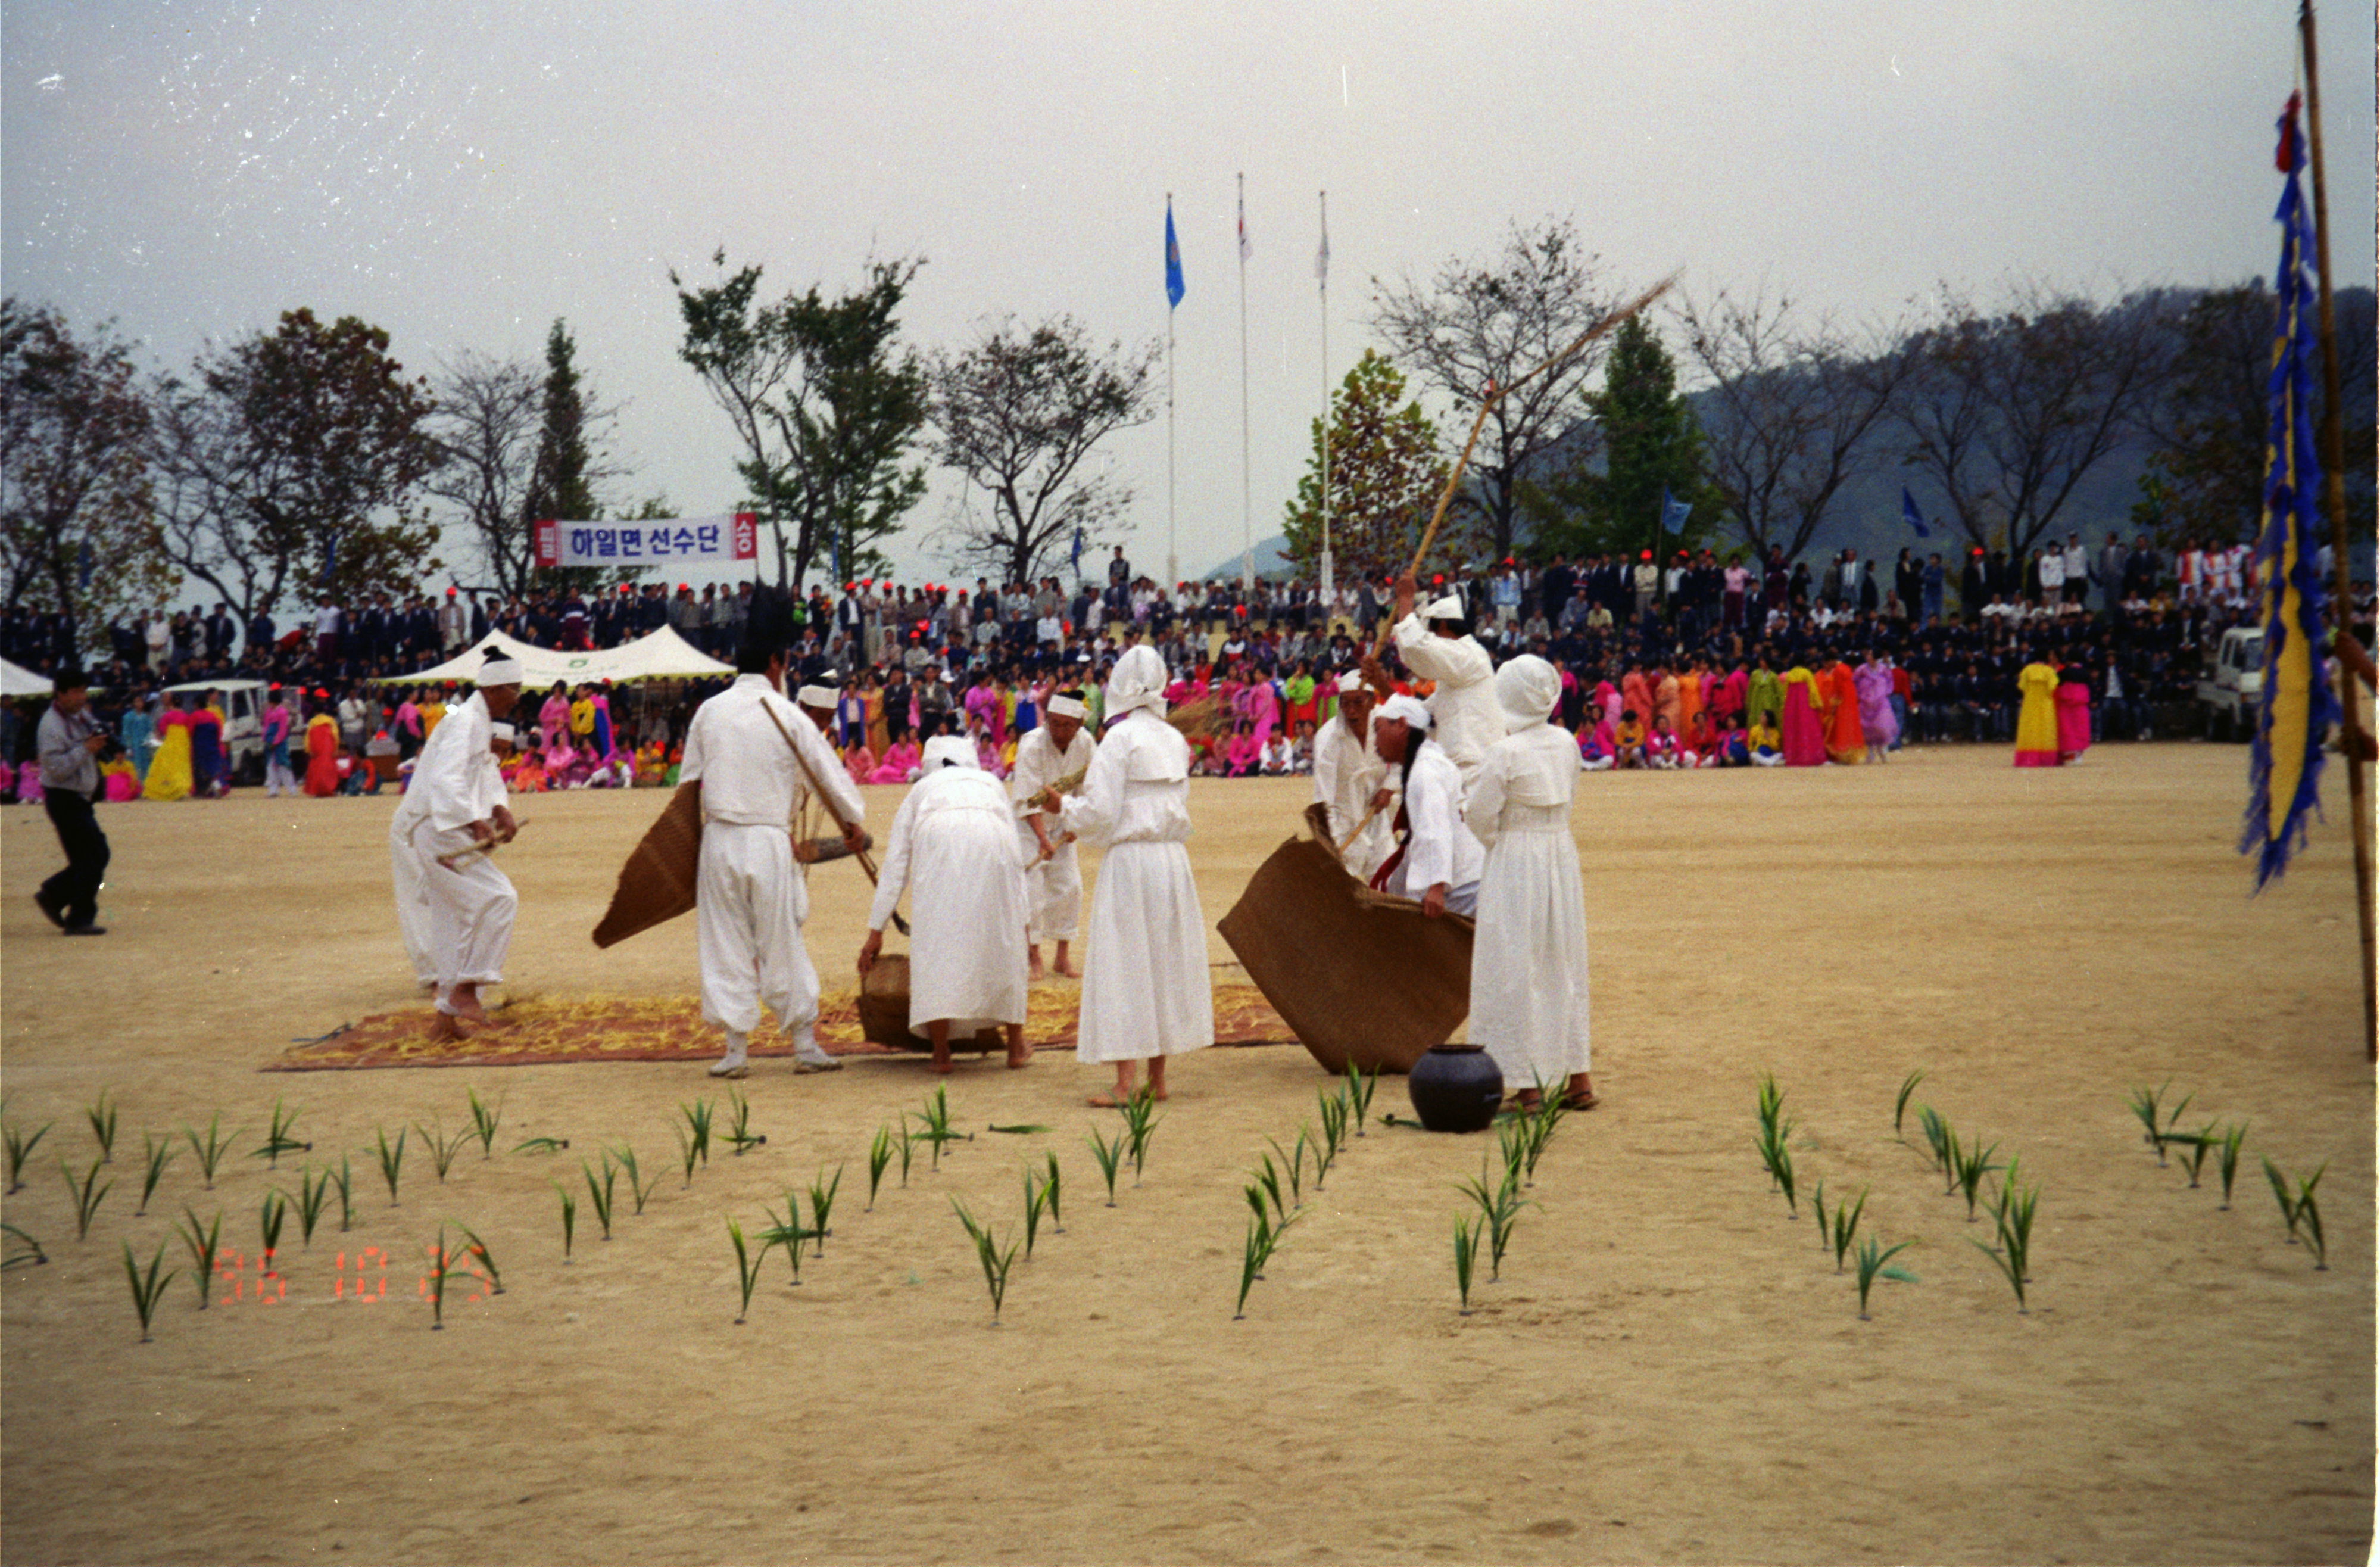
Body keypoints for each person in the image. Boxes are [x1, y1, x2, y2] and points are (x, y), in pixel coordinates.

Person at [680, 596, 866, 1079]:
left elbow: (686, 787)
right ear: (774, 663)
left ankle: (736, 1050)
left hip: (718, 840)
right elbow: (831, 781)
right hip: (765, 839)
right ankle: (802, 1043)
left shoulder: (709, 712)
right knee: (780, 939)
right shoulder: (788, 714)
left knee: (726, 941)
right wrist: (854, 820)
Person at [1040, 643, 1213, 1107]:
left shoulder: (1118, 739)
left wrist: (1064, 808)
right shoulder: (1172, 738)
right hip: (1171, 861)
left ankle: (1124, 1083)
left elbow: (1098, 813)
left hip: (1133, 861)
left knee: (1127, 962)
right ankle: (1156, 1079)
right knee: (1162, 961)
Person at [858, 735, 1033, 1074]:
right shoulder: (991, 782)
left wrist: (875, 932)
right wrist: (1022, 922)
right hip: (993, 837)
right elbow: (1016, 864)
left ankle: (942, 1053)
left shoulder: (921, 790)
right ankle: (1015, 1047)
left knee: (936, 943)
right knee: (1004, 941)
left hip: (940, 835)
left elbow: (895, 866)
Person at [1465, 656, 1595, 1111]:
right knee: (1563, 961)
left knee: (1514, 964)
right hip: (1560, 852)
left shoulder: (1505, 751)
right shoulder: (1565, 742)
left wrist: (1499, 841)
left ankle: (1527, 1085)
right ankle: (1579, 1078)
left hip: (1516, 858)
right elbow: (1570, 796)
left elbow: (1478, 815)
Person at [408, 650, 525, 1038]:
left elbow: (484, 772)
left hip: (442, 827)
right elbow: (445, 778)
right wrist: (474, 820)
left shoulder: (478, 720)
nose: (518, 695)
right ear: (494, 688)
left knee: (452, 924)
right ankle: (465, 989)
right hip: (438, 829)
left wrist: (498, 809)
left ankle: (444, 1021)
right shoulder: (463, 720)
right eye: (514, 687)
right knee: (499, 898)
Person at [1370, 694, 1483, 918]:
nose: (1376, 741)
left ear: (1402, 725)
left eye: (1379, 730)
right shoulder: (1428, 761)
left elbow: (1434, 829)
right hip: (1467, 878)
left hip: (1462, 887)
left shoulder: (1425, 771)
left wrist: (1435, 886)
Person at [1007, 691, 1095, 980]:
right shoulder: (1032, 744)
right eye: (1054, 723)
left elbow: (1089, 790)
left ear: (1079, 723)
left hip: (1063, 822)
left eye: (1066, 725)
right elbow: (1028, 797)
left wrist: (1075, 824)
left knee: (1070, 887)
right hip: (1028, 825)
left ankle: (1062, 957)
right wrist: (1043, 839)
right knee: (1032, 890)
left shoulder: (1086, 744)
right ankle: (1034, 957)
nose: (1058, 730)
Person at [1385, 571, 1498, 793]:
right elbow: (1422, 713)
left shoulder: (1469, 656)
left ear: (1444, 626)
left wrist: (1406, 601)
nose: (1431, 639)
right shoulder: (1454, 678)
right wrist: (1381, 686)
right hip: (1457, 765)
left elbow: (1417, 649)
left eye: (1431, 632)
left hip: (1473, 765)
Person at [33, 671, 110, 936]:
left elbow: (93, 732)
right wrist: (85, 749)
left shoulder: (79, 716)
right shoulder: (51, 726)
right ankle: (78, 916)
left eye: (83, 691)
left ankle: (54, 895)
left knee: (93, 855)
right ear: (61, 694)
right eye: (76, 692)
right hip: (63, 797)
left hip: (76, 798)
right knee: (92, 857)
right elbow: (54, 768)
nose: (82, 697)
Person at [2013, 651, 2061, 767]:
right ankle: (2046, 759)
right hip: (2045, 703)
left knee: (2030, 729)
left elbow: (2022, 686)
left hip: (2030, 703)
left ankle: (2028, 758)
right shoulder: (2049, 671)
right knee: (2046, 729)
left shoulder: (2027, 670)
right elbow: (2052, 686)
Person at [261, 686, 296, 797]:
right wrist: (265, 739)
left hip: (279, 742)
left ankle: (292, 790)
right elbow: (266, 726)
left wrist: (276, 742)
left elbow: (282, 729)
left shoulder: (283, 712)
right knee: (270, 765)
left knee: (283, 765)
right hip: (270, 740)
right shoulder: (268, 712)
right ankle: (273, 790)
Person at [304, 695, 341, 796]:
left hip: (316, 747)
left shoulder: (312, 722)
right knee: (329, 769)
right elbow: (335, 735)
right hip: (328, 746)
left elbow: (308, 737)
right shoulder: (330, 720)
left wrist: (309, 750)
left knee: (316, 769)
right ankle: (329, 789)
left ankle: (317, 790)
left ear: (315, 711)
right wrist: (336, 748)